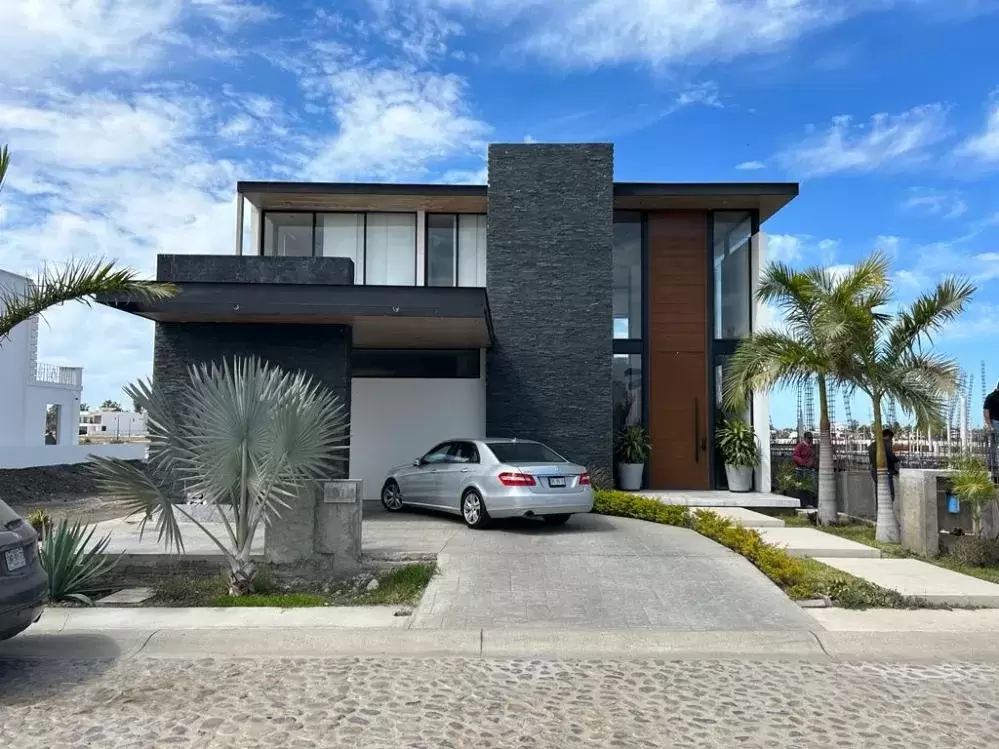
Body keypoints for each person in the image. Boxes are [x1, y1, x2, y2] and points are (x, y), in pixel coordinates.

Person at [868, 428, 900, 502]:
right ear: (888, 436)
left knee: (879, 494)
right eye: (890, 438)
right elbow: (891, 456)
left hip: (874, 471)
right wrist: (898, 460)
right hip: (885, 471)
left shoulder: (872, 445)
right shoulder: (884, 444)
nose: (891, 441)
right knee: (889, 495)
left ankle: (879, 511)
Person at [792, 431, 817, 507]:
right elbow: (795, 456)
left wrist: (812, 464)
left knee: (811, 487)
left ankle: (810, 503)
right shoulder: (800, 446)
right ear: (805, 438)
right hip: (801, 469)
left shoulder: (811, 447)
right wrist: (803, 463)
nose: (810, 440)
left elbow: (813, 456)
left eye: (811, 438)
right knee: (802, 488)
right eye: (809, 438)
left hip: (810, 470)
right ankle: (803, 503)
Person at [984, 382, 999, 478]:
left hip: (995, 422)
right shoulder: (991, 397)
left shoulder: (990, 396)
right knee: (994, 445)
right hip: (995, 422)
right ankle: (992, 466)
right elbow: (986, 411)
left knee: (994, 446)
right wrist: (989, 425)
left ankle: (992, 465)